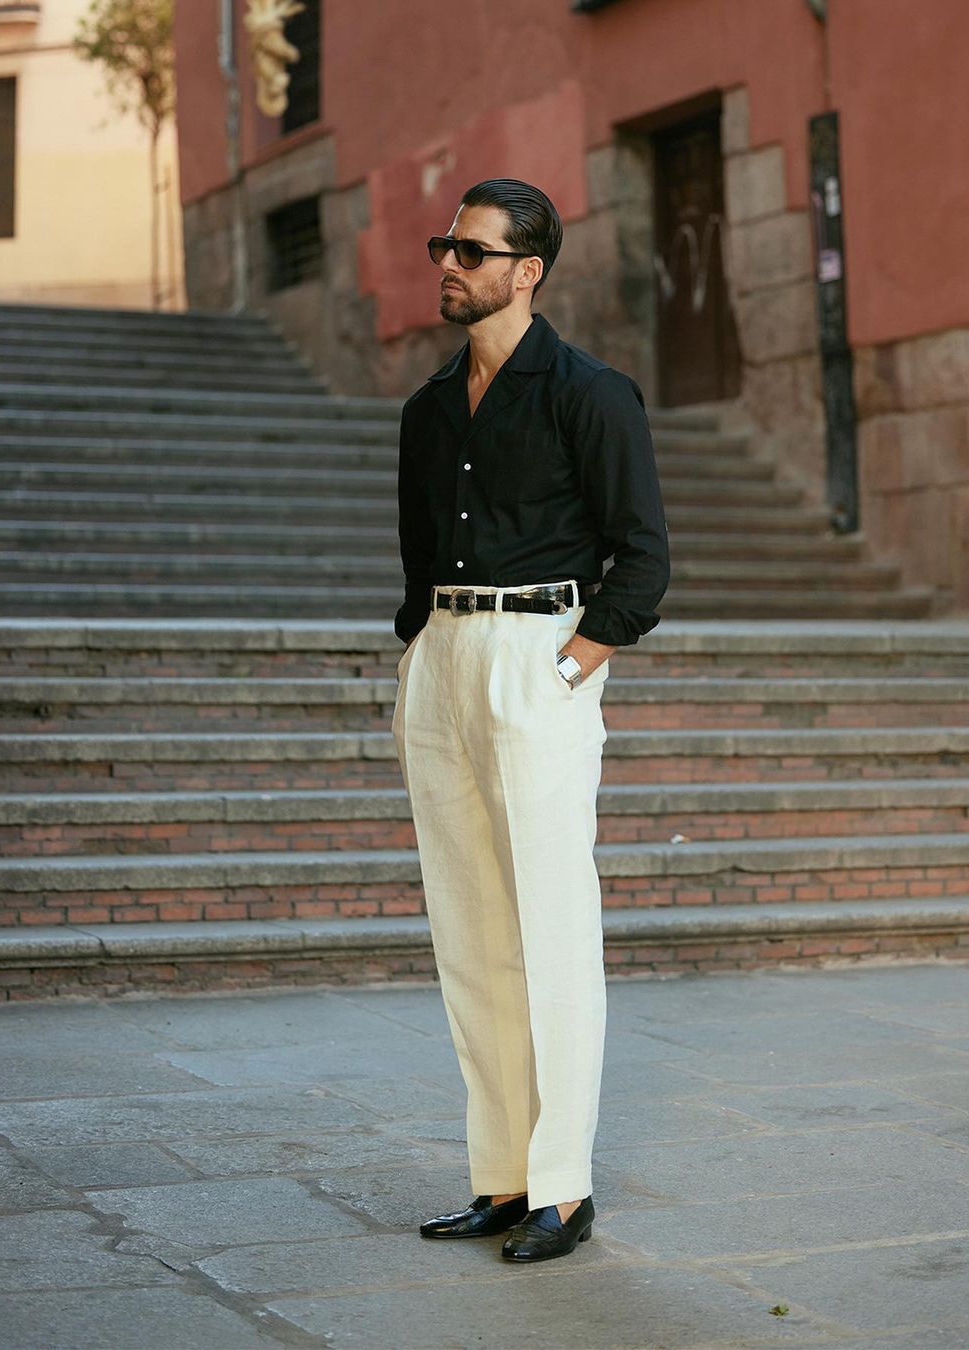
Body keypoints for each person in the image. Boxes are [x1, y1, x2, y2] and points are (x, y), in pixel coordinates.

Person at [391, 178, 669, 1263]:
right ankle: (501, 1178)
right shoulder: (425, 408)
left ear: (527, 271)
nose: (448, 264)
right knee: (470, 934)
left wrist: (577, 657)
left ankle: (562, 1185)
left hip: (538, 654)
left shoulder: (589, 392)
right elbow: (421, 551)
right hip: (447, 658)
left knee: (550, 931)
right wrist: (423, 644)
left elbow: (641, 555)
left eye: (470, 250)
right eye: (442, 246)